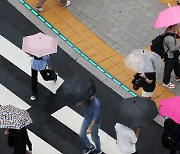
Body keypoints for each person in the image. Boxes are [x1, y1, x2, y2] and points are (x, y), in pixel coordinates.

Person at [162, 24, 180, 89]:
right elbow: (172, 48)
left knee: (177, 64)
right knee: (168, 68)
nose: (178, 26)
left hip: (173, 54)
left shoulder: (169, 30)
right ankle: (166, 82)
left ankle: (178, 75)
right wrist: (178, 42)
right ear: (173, 26)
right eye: (177, 25)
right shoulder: (170, 38)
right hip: (170, 55)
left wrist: (177, 36)